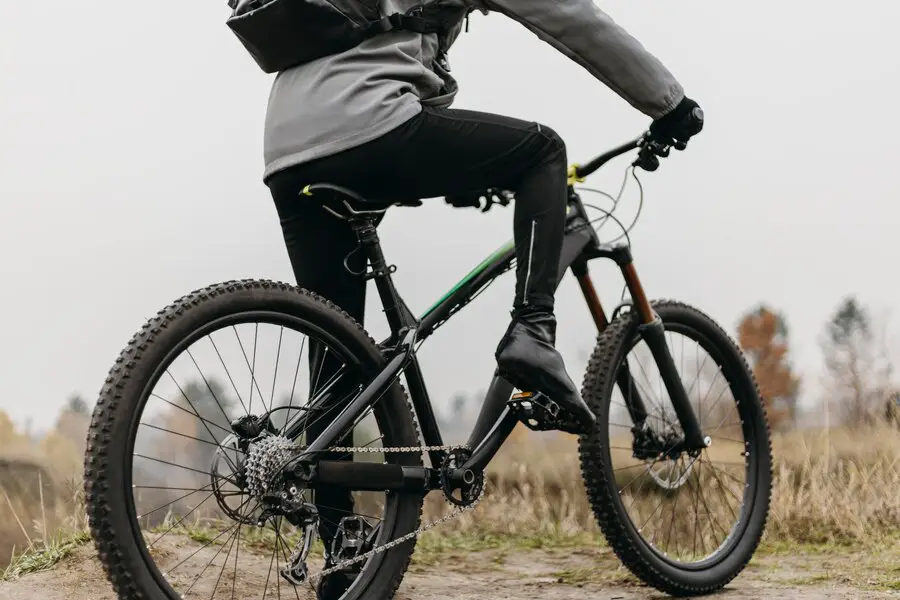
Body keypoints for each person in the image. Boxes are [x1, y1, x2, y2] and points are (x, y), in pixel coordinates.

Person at [260, 0, 702, 594]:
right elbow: (569, 16)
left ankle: (344, 553)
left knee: (336, 356)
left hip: (289, 146)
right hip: (370, 121)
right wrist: (668, 103)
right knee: (544, 152)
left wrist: (466, 171)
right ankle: (533, 331)